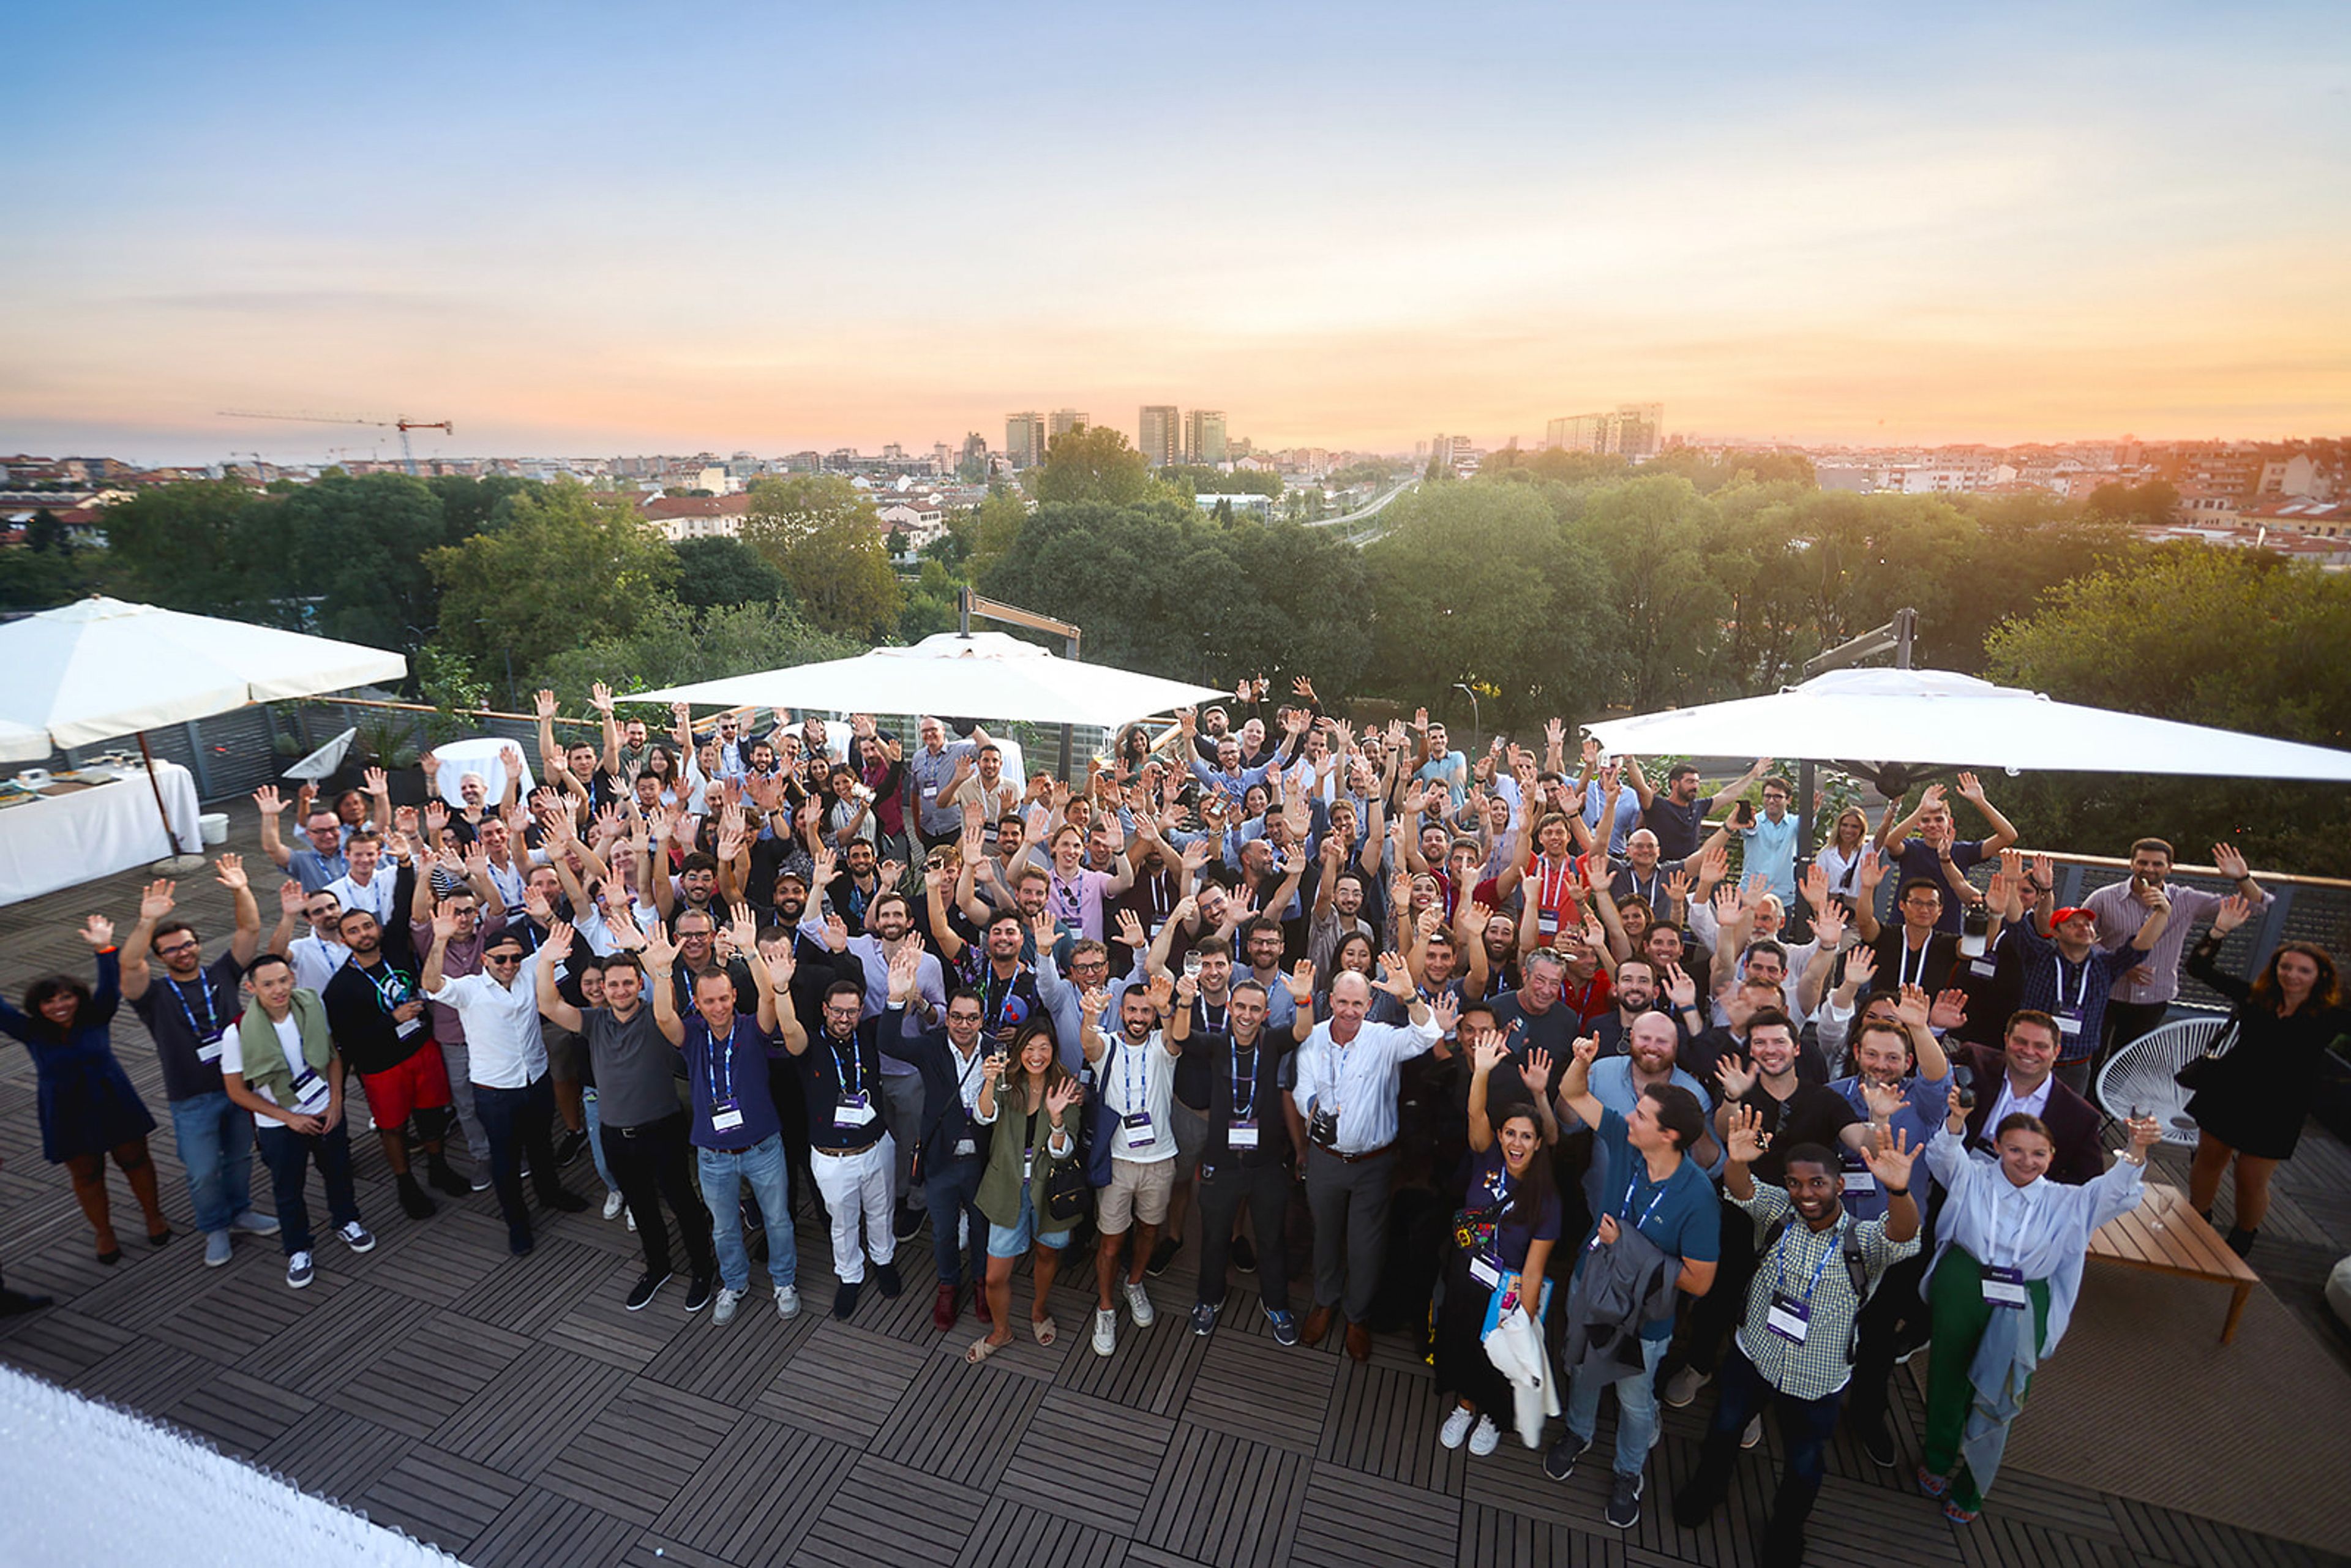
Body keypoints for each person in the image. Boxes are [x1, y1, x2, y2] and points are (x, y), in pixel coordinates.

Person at [1674, 1108, 1922, 1566]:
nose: (1805, 1193)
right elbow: (1740, 1188)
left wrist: (1899, 1189)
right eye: (1795, 1183)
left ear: (1839, 1186)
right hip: (1755, 1357)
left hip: (1818, 1379)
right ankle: (1707, 1490)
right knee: (1724, 1429)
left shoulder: (1862, 1241)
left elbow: (1903, 1234)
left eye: (1817, 1183)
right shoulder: (1777, 1211)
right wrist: (1738, 1157)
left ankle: (1787, 1531)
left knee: (1805, 1462)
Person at [1916, 1092, 2162, 1522]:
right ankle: (1937, 1456)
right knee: (1946, 1377)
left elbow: (2116, 1192)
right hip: (1964, 1281)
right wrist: (1957, 1118)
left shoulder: (2068, 1200)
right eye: (2014, 1149)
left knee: (2005, 1388)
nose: (2025, 1161)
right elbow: (1943, 1154)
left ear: (2052, 1155)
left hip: (2024, 1297)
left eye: (2038, 1153)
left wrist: (2137, 1148)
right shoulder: (1972, 1176)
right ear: (1997, 1147)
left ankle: (1973, 1482)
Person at [1545, 1033, 1719, 1529]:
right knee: (1581, 1364)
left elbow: (1700, 1282)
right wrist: (1581, 1062)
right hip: (1591, 1281)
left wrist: (1630, 1247)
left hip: (1646, 1314)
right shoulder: (1626, 1137)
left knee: (1634, 1397)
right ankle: (1578, 1432)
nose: (1630, 1117)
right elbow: (1576, 1096)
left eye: (1642, 1114)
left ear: (1667, 1136)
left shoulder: (1697, 1196)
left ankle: (1628, 1471)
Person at [535, 921, 718, 1313]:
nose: (619, 990)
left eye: (627, 983)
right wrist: (545, 963)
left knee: (683, 1203)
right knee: (642, 1205)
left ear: (639, 985)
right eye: (612, 984)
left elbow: (671, 1010)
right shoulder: (594, 1021)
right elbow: (548, 1006)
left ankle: (704, 1269)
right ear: (603, 988)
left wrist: (656, 963)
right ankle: (658, 1267)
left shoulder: (657, 1017)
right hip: (616, 1134)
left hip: (662, 1129)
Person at [642, 913, 802, 1324]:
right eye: (708, 1000)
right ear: (697, 1002)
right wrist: (662, 973)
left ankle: (784, 1280)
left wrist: (751, 952)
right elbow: (663, 1018)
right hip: (713, 1153)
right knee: (725, 1228)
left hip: (764, 1145)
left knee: (779, 1220)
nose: (717, 1007)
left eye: (724, 998)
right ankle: (734, 1282)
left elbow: (770, 1000)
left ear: (734, 995)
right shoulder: (691, 1032)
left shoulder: (752, 1028)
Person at [119, 865, 280, 1267]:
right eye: (171, 949)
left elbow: (249, 929)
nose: (182, 952)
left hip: (240, 1086)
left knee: (240, 1157)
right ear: (160, 956)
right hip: (191, 1097)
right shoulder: (151, 995)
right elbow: (128, 964)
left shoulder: (221, 973)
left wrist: (242, 889)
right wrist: (147, 919)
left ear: (197, 944)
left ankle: (240, 1211)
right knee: (203, 1170)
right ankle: (215, 1226)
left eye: (188, 944)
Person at [1289, 964, 1452, 1362]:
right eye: (1342, 1002)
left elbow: (1429, 1034)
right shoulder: (1312, 1038)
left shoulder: (1383, 1039)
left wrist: (1411, 995)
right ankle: (1325, 1301)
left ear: (1370, 1003)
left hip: (1373, 1165)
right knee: (1325, 1236)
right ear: (1330, 1001)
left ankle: (1357, 1315)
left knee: (1366, 1245)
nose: (1349, 1010)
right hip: (1325, 1159)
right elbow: (1301, 1088)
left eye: (1357, 1003)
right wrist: (1314, 1111)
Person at [2184, 896, 2349, 1258]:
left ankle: (2244, 1236)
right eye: (2286, 967)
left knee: (2251, 1179)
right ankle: (2197, 1217)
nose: (2291, 975)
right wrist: (2219, 930)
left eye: (2303, 970)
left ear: (2320, 976)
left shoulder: (2330, 1016)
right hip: (2229, 1090)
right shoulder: (2255, 998)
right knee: (2209, 1159)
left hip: (2280, 1105)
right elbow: (2197, 968)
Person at [1, 915, 171, 1264]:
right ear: (38, 1008)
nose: (59, 1006)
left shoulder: (97, 1016)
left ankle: (154, 1217)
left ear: (77, 998)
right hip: (67, 1112)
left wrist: (103, 947)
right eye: (50, 1002)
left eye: (66, 997)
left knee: (135, 1160)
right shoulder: (30, 1031)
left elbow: (110, 984)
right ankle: (104, 1233)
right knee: (87, 1173)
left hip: (114, 1102)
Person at [422, 913, 588, 1254]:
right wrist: (439, 939)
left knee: (542, 1145)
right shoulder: (469, 989)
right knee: (506, 1160)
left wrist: (548, 919)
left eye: (515, 957)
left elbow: (565, 947)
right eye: (501, 959)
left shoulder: (530, 969)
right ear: (486, 960)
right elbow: (432, 985)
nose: (509, 964)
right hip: (495, 1091)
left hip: (536, 1078)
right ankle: (517, 1222)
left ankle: (550, 1193)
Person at [1434, 1030, 1562, 1457]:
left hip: (1508, 1292)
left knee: (1498, 1357)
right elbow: (1475, 1114)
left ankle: (1491, 1414)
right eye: (1510, 1133)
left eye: (1526, 1136)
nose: (1515, 1143)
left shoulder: (1547, 1199)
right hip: (1468, 1274)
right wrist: (1481, 1071)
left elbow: (1535, 1267)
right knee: (1464, 1343)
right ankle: (1466, 1405)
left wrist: (1520, 1321)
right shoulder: (1489, 1158)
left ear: (1539, 1143)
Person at [221, 953, 375, 1288]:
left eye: (283, 981)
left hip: (325, 1111)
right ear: (251, 988)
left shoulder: (311, 1006)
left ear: (292, 978)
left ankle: (346, 1221)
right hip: (280, 1125)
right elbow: (236, 1091)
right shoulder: (236, 1033)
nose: (278, 990)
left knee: (339, 1172)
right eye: (268, 984)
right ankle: (298, 1248)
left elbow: (333, 1055)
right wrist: (288, 1118)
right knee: (288, 1189)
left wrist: (336, 1102)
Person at [1168, 974, 1302, 1341]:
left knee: (1271, 1239)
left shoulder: (1273, 1041)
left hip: (1267, 1163)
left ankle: (1276, 1303)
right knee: (1214, 1237)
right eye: (1240, 1007)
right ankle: (1208, 1299)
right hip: (1222, 1163)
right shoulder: (1216, 1044)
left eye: (1255, 1009)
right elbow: (1180, 1036)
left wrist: (1304, 1001)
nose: (1246, 1014)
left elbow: (1302, 1032)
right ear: (1229, 1008)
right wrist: (1183, 1002)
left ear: (1266, 1013)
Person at [321, 909, 472, 1215]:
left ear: (377, 928)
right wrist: (391, 1020)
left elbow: (405, 903)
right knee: (394, 1127)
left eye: (367, 926)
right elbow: (348, 1041)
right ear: (342, 939)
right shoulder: (339, 989)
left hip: (421, 1049)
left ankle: (438, 1167)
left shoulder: (396, 954)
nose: (363, 934)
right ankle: (406, 1184)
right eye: (353, 931)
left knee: (432, 1114)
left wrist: (408, 864)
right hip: (382, 1067)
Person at [880, 966, 993, 1333]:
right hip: (941, 1157)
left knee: (981, 1227)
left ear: (981, 1020)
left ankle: (981, 1283)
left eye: (971, 1018)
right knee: (943, 1229)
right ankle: (948, 1284)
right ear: (948, 1019)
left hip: (983, 1159)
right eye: (956, 1017)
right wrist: (896, 1000)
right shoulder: (930, 1047)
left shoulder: (996, 1049)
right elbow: (889, 1043)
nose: (963, 1025)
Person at [1998, 855, 2169, 1095]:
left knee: (2063, 1123)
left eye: (2087, 925)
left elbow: (2141, 944)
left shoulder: (2105, 966)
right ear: (2056, 933)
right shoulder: (2040, 956)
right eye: (2073, 924)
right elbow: (2016, 922)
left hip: (2075, 1064)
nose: (2083, 928)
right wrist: (2009, 883)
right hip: (2029, 1058)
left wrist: (2162, 912)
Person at [965, 1020, 1084, 1362]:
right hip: (1007, 1187)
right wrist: (989, 1082)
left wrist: (1057, 1120)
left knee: (1048, 1254)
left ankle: (1038, 1308)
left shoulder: (1065, 1087)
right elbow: (984, 1117)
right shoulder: (1005, 1080)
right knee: (993, 1277)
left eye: (1044, 1048)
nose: (1036, 1056)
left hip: (1050, 1189)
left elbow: (1066, 1151)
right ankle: (1001, 1331)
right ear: (1019, 1051)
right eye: (1030, 1048)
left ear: (1054, 1050)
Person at [2086, 839, 2270, 1059]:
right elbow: (2077, 938)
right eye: (2143, 862)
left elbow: (2257, 905)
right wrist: (2117, 964)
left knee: (2126, 1061)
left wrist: (2242, 877)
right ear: (2131, 864)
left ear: (2170, 867)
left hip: (2153, 996)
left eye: (2157, 864)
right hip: (2105, 991)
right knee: (2091, 1054)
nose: (2149, 869)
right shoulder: (2104, 897)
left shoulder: (2187, 900)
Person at [788, 976, 904, 1319]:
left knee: (882, 1211)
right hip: (831, 1157)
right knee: (843, 1220)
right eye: (837, 1010)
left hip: (875, 1146)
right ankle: (850, 1275)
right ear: (825, 1009)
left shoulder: (867, 1034)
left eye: (852, 1011)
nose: (844, 1018)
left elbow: (895, 1024)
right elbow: (788, 1028)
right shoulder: (809, 1044)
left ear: (860, 1012)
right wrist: (780, 989)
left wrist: (901, 986)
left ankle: (883, 1259)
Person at [1081, 972, 1182, 1356]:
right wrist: (1090, 1016)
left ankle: (1135, 1283)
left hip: (1159, 1160)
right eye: (1133, 1010)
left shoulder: (1162, 1044)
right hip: (1118, 1163)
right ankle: (1105, 1307)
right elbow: (1088, 1044)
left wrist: (1166, 1007)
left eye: (1146, 1011)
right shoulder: (1107, 1044)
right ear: (1121, 1012)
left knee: (1148, 1232)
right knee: (1110, 1242)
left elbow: (1176, 1037)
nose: (1139, 1017)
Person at [1946, 1011, 2105, 1187]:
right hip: (1952, 1186)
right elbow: (1924, 1074)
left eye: (2041, 1046)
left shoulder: (2080, 1116)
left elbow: (2089, 1184)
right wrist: (1934, 1029)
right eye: (2021, 1042)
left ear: (2056, 1052)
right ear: (2007, 1040)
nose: (2029, 1051)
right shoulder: (1975, 1060)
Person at [1876, 776, 2018, 934]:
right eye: (1925, 820)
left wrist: (1981, 802)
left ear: (1949, 823)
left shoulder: (1963, 851)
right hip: (1903, 925)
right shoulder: (1912, 848)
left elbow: (2008, 836)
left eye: (1938, 820)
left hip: (1945, 930)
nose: (1932, 825)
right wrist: (1921, 809)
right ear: (1918, 825)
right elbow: (1890, 843)